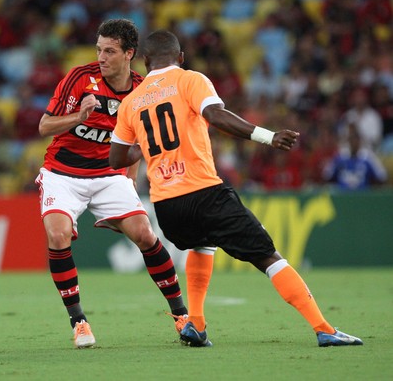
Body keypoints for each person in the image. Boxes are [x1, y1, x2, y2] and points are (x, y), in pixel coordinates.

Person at [109, 30, 363, 348]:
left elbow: (116, 156)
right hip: (202, 192)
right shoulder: (189, 79)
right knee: (269, 257)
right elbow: (215, 115)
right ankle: (324, 328)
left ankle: (196, 325)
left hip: (166, 206)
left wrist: (145, 146)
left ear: (144, 61)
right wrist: (268, 137)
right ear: (181, 58)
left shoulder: (131, 102)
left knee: (203, 244)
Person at [35, 19, 188, 349]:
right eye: (99, 49)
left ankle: (182, 316)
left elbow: (138, 141)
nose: (101, 57)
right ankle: (79, 322)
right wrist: (78, 118)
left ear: (129, 54)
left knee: (146, 235)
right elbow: (45, 126)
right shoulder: (80, 78)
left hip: (108, 176)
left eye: (109, 51)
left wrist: (130, 180)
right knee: (58, 234)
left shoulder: (142, 89)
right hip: (63, 174)